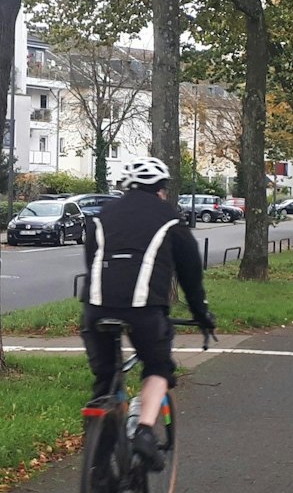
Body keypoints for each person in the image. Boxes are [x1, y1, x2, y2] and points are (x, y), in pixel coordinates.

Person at [80, 156, 216, 473]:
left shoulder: (102, 215)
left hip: (96, 309)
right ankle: (143, 431)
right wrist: (202, 314)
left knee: (105, 382)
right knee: (158, 366)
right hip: (144, 311)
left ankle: (99, 473)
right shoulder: (170, 218)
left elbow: (92, 264)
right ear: (161, 190)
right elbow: (191, 274)